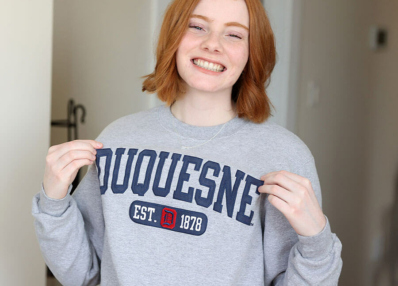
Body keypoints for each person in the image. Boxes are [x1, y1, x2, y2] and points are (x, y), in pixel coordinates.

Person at [31, 0, 343, 285]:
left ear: (253, 52)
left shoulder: (283, 155)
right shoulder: (117, 139)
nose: (212, 44)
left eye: (234, 35)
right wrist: (53, 202)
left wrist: (317, 241)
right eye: (197, 26)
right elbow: (83, 274)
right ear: (174, 36)